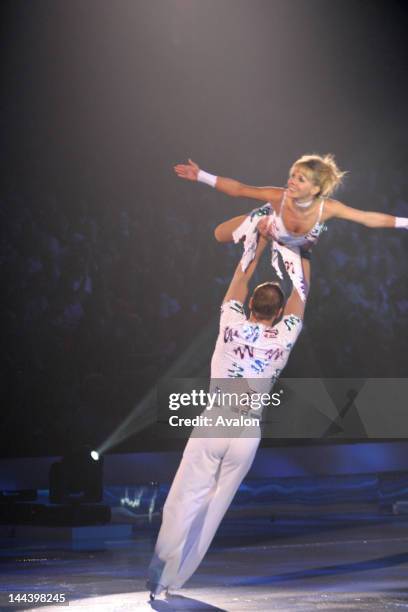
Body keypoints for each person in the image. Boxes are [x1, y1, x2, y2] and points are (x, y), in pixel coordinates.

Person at [147, 236, 310, 599]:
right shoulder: (284, 336)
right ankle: (176, 580)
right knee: (214, 506)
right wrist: (299, 251)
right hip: (248, 428)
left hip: (217, 420)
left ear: (251, 303)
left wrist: (259, 242)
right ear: (280, 313)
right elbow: (303, 291)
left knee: (186, 495)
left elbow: (240, 277)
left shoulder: (231, 323)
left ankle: (161, 570)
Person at [174, 155, 408, 300]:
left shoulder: (328, 208)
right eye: (293, 175)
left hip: (296, 245)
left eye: (300, 179)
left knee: (301, 290)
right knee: (219, 234)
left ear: (315, 190)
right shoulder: (278, 197)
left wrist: (406, 223)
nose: (291, 181)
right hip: (269, 224)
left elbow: (368, 218)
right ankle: (259, 222)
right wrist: (201, 176)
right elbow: (240, 190)